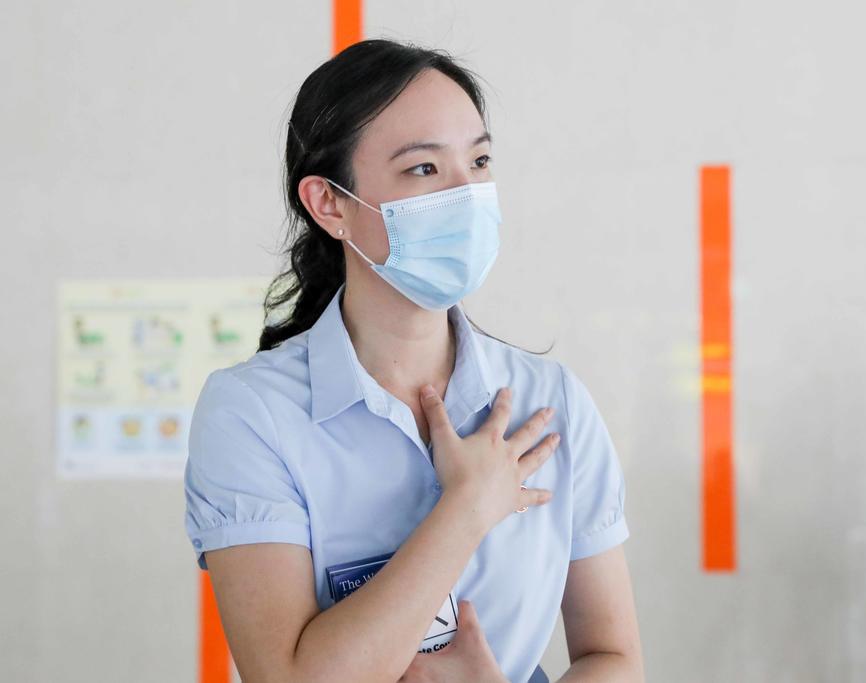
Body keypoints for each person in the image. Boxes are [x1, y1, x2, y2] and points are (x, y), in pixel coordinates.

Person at [183, 39, 643, 683]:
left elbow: (613, 657)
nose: (467, 194)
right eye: (424, 169)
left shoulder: (550, 400)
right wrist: (468, 507)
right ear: (330, 204)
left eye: (479, 161)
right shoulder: (251, 413)